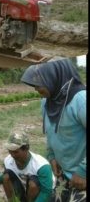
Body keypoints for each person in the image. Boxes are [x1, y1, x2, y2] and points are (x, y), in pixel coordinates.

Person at [20, 58, 86, 202]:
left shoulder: (81, 100)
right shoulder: (47, 102)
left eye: (39, 82)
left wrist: (83, 171)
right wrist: (51, 156)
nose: (36, 89)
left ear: (54, 76)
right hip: (65, 174)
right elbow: (51, 132)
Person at [0, 131, 55, 202]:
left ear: (26, 148)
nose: (12, 155)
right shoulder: (8, 160)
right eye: (10, 151)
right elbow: (9, 174)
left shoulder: (41, 165)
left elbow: (47, 192)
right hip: (24, 190)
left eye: (16, 152)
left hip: (45, 196)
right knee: (6, 176)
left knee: (33, 183)